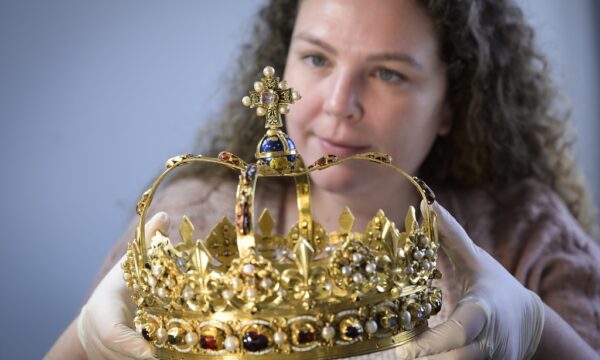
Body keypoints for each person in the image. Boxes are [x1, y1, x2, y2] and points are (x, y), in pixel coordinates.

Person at [46, 0, 600, 359]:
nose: (338, 105)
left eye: (388, 73)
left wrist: (537, 332)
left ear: (453, 104)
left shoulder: (527, 237)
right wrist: (82, 342)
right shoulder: (189, 216)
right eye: (316, 59)